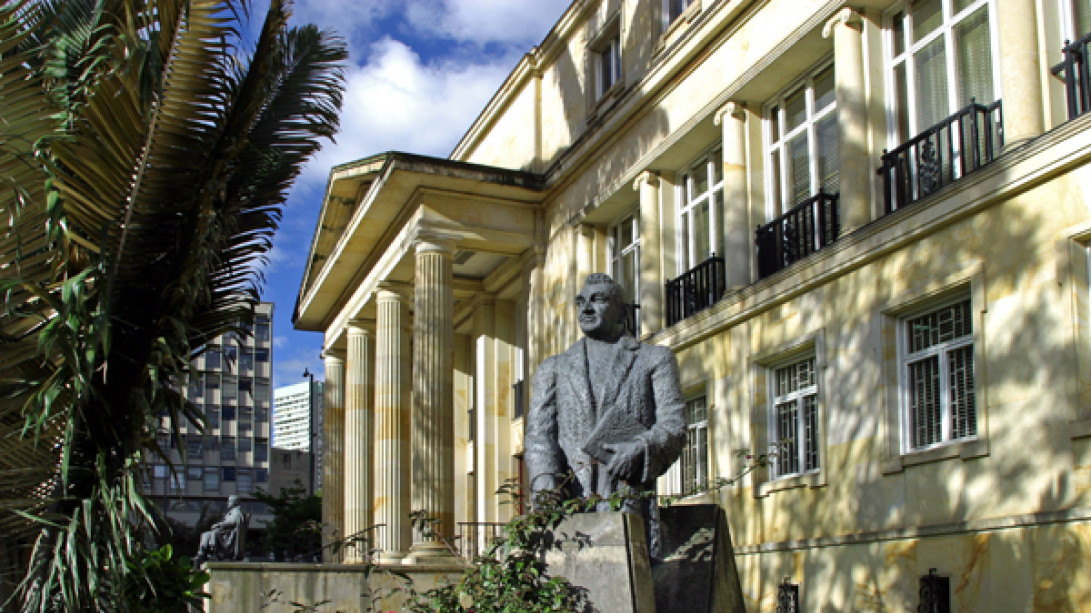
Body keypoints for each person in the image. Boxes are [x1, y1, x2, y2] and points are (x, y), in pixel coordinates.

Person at [525, 273, 685, 551]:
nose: (586, 308)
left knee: (633, 583)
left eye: (598, 300)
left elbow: (673, 425)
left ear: (622, 310)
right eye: (581, 302)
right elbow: (539, 435)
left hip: (629, 499)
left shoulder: (654, 359)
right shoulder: (554, 367)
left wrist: (639, 447)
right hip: (569, 501)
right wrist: (544, 483)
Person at [194, 495, 248, 566]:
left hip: (229, 535)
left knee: (214, 533)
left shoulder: (236, 511)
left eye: (230, 501)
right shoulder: (231, 512)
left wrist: (219, 525)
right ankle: (201, 554)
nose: (228, 503)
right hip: (225, 532)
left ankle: (214, 552)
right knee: (206, 534)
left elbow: (233, 522)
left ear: (235, 502)